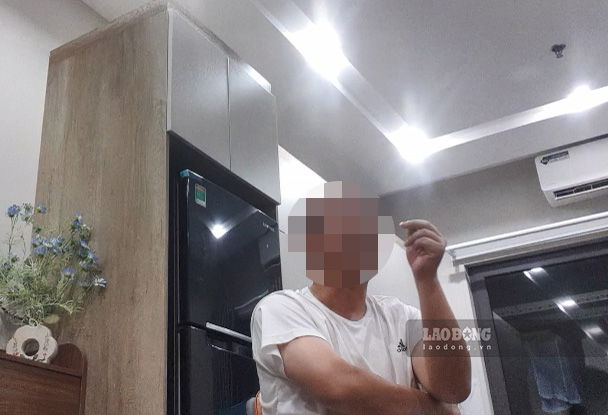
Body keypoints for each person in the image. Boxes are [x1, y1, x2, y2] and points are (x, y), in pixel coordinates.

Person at [251, 182, 470, 415]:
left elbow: (454, 388)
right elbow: (339, 387)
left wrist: (427, 279)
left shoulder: (401, 316)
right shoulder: (280, 308)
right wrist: (435, 410)